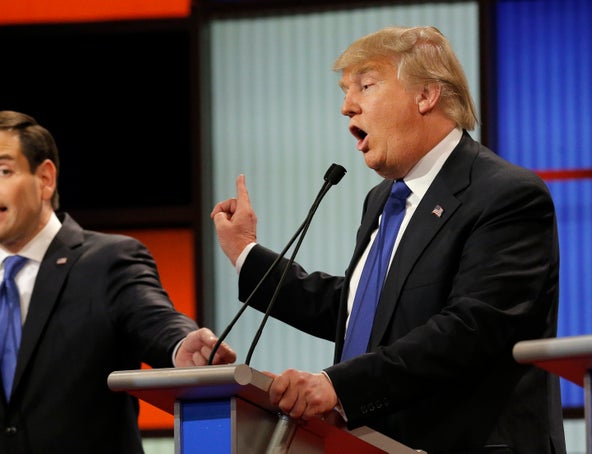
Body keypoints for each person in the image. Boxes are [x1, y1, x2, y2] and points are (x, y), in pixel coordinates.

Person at [211, 26, 565, 453]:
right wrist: (246, 253)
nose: (346, 107)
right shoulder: (383, 199)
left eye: (366, 85)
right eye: (345, 91)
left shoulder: (506, 194)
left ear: (426, 95)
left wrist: (337, 386)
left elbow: (470, 328)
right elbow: (365, 311)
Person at [0, 110, 237, 453]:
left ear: (46, 178)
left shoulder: (108, 260)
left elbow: (156, 322)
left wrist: (182, 345)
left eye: (2, 171)